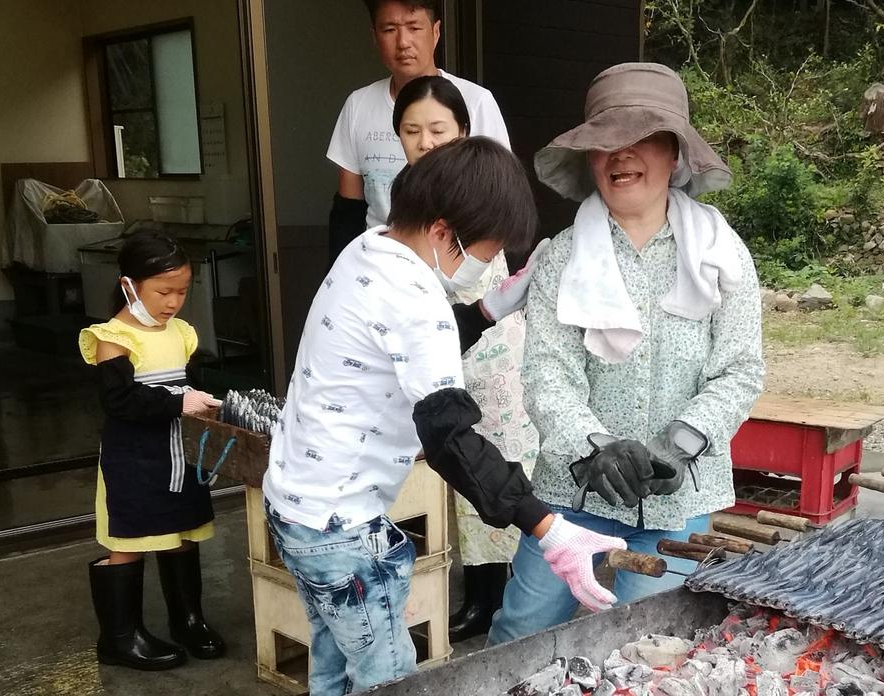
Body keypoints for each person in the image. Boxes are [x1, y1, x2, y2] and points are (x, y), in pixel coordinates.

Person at [262, 137, 624, 696]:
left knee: (335, 662)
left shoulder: (367, 250)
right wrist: (547, 529)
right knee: (388, 679)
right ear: (439, 231)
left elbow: (404, 344)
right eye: (483, 249)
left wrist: (487, 309)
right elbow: (450, 437)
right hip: (342, 531)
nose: (484, 262)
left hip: (295, 506)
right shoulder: (417, 298)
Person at [489, 63, 765, 645]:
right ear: (589, 159)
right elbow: (547, 374)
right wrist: (594, 449)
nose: (621, 155)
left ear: (674, 154)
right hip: (570, 498)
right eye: (604, 143)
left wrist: (682, 442)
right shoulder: (561, 257)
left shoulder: (723, 253)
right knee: (521, 633)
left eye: (641, 138)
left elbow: (741, 369)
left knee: (647, 648)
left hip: (679, 501)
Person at [393, 75, 544, 642]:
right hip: (437, 347)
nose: (426, 141)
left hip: (493, 345)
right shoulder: (403, 196)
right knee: (454, 457)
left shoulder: (478, 189)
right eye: (412, 131)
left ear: (462, 131)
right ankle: (478, 595)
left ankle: (504, 593)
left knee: (499, 450)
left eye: (438, 129)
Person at [79, 230, 225, 670]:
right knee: (130, 538)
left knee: (180, 533)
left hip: (178, 453)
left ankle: (189, 619)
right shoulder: (113, 336)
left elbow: (187, 384)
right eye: (163, 291)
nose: (173, 302)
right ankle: (121, 638)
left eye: (182, 291)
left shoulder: (181, 332)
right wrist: (179, 402)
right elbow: (119, 401)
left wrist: (205, 401)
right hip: (134, 458)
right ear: (129, 285)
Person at [326, 0, 510, 267]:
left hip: (461, 273)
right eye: (390, 29)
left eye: (414, 27)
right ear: (375, 36)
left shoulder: (476, 101)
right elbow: (348, 211)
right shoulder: (358, 105)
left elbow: (500, 202)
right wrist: (341, 276)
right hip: (383, 271)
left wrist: (465, 275)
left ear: (435, 32)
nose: (403, 42)